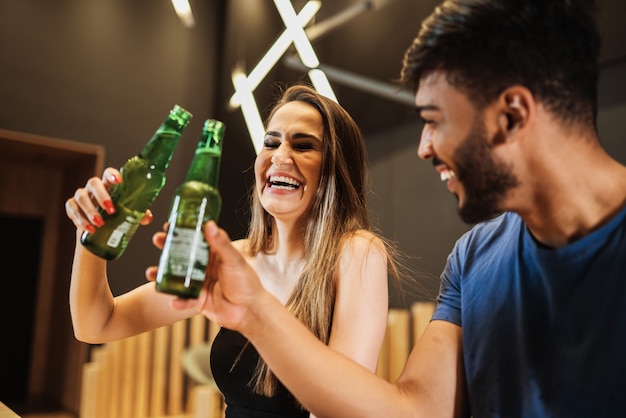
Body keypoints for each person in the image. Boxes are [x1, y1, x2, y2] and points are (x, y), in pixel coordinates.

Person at [176, 0, 626, 417]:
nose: (423, 148)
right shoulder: (472, 259)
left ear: (510, 115)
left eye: (433, 121)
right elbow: (412, 410)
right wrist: (254, 311)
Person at [65, 84, 404, 417]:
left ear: (336, 169)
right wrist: (92, 230)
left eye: (303, 146)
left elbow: (340, 411)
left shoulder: (357, 253)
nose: (280, 157)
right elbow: (97, 324)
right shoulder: (234, 260)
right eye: (271, 142)